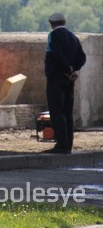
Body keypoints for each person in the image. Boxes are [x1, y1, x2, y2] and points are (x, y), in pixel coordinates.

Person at [43, 12, 86, 154]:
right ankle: (68, 144)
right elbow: (82, 57)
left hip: (56, 77)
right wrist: (73, 70)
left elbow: (56, 55)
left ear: (51, 23)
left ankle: (61, 144)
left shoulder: (53, 36)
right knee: (67, 111)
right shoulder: (73, 37)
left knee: (57, 110)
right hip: (69, 79)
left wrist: (67, 69)